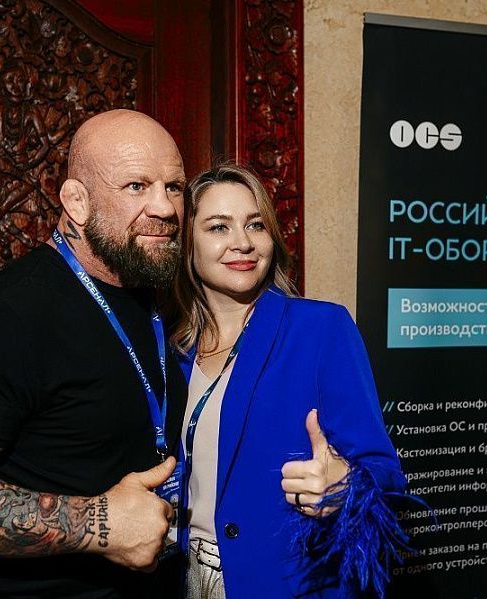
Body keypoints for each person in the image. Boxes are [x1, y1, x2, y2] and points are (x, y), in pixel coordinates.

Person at [0, 109, 191, 598]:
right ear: (77, 201)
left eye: (173, 187)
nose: (164, 207)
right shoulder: (4, 314)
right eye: (136, 186)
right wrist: (98, 525)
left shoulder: (153, 296)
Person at [170, 164, 408, 598]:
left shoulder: (320, 329)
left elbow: (386, 473)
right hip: (184, 576)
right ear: (187, 243)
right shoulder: (173, 352)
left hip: (284, 583)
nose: (242, 242)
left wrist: (346, 487)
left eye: (255, 224)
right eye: (219, 227)